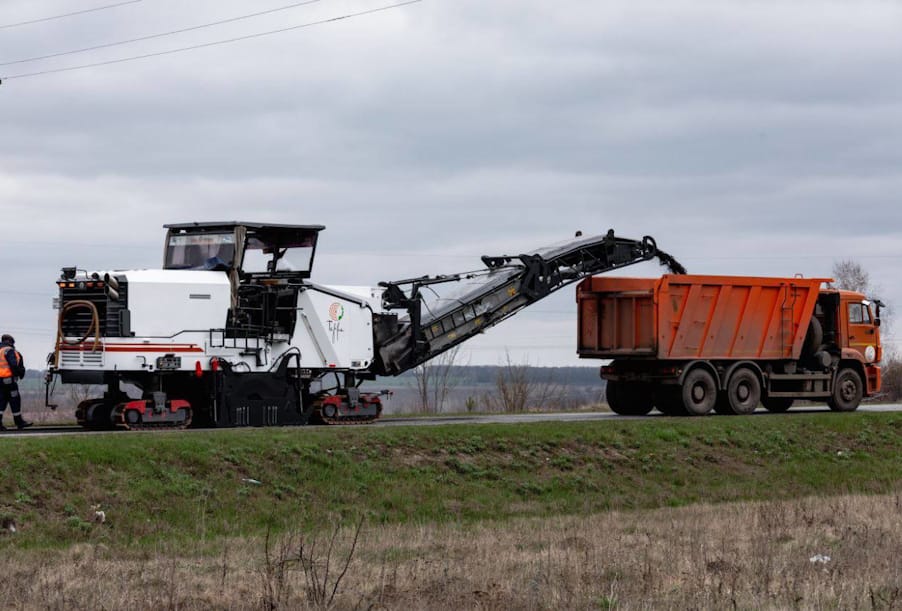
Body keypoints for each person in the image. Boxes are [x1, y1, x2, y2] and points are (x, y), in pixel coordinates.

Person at [0, 334, 31, 430]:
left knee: (1, 401)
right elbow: (13, 365)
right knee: (15, 400)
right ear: (10, 341)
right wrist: (19, 373)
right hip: (8, 381)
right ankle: (19, 422)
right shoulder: (9, 351)